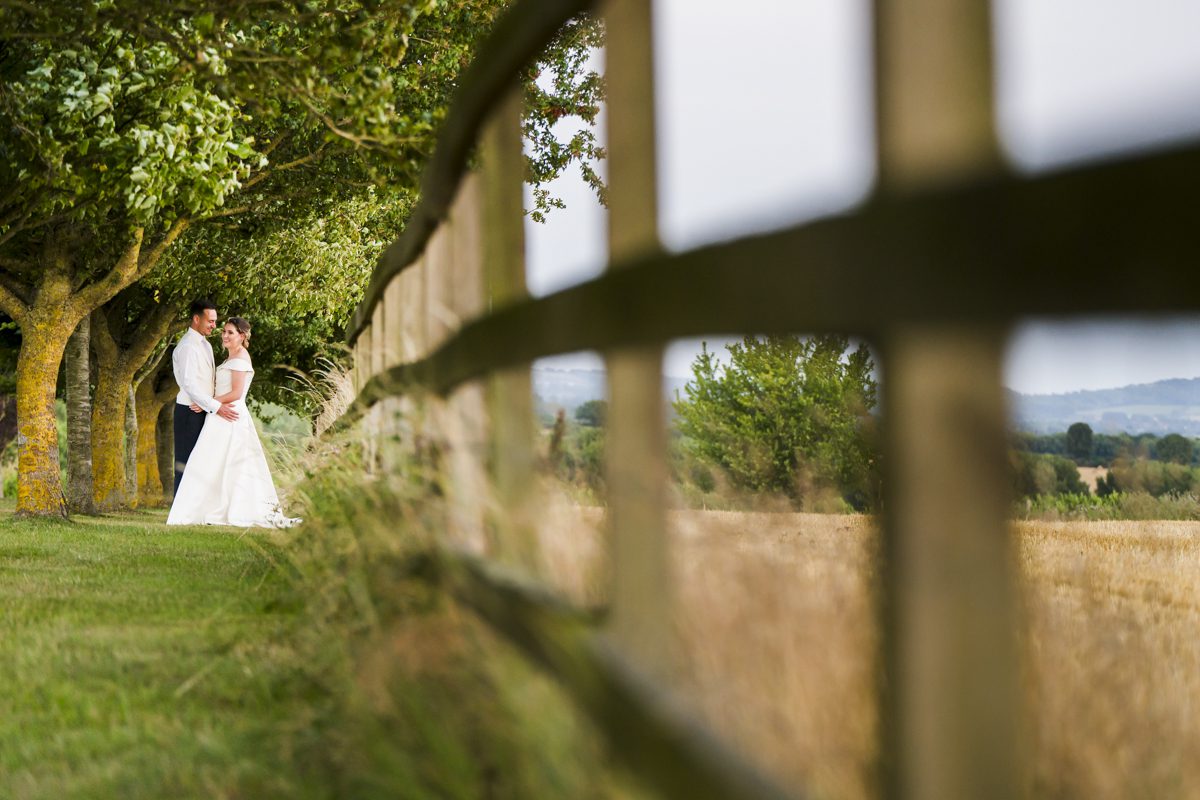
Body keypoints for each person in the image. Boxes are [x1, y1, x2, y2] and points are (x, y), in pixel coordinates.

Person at [167, 317, 300, 527]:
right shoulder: (232, 357)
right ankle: (209, 507)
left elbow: (237, 393)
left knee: (225, 461)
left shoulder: (240, 358)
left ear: (242, 336)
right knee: (214, 462)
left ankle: (231, 509)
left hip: (229, 414)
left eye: (230, 332)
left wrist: (207, 403)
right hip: (220, 413)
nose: (225, 336)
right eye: (224, 332)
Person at [171, 298, 238, 496]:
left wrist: (208, 405)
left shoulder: (206, 345)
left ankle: (196, 509)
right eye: (210, 321)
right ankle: (178, 512)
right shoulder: (187, 347)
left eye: (215, 321)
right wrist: (215, 406)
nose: (214, 325)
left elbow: (207, 381)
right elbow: (189, 383)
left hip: (202, 409)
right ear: (196, 319)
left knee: (201, 463)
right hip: (189, 411)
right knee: (185, 462)